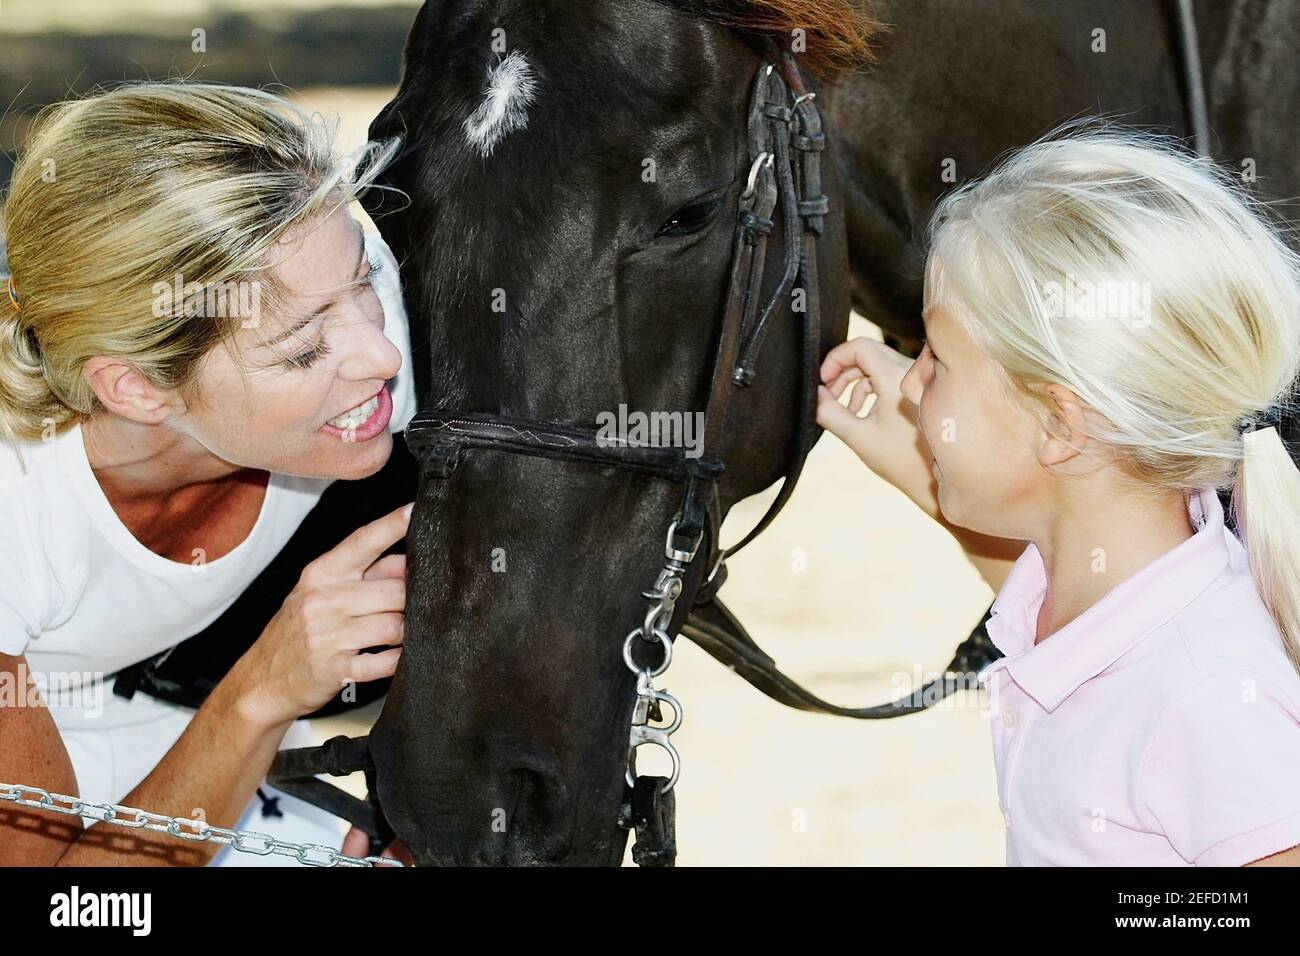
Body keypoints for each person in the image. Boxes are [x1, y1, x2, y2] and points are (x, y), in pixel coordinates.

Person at [817, 127, 1300, 866]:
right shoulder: (1104, 588)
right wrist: (917, 446)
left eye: (937, 361)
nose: (911, 383)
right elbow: (1038, 594)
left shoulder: (1209, 700)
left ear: (1058, 424)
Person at [0, 81, 418, 865]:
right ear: (138, 388)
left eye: (362, 282)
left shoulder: (336, 305)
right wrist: (267, 684)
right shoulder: (16, 511)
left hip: (200, 717)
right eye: (300, 350)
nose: (381, 354)